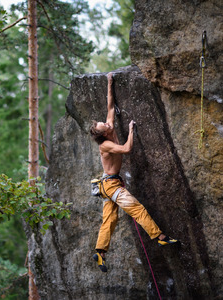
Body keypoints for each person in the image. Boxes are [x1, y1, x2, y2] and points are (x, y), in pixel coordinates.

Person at [89, 72, 178, 273]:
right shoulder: (106, 145)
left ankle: (100, 253)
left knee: (110, 219)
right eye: (102, 124)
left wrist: (109, 81)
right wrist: (130, 130)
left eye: (102, 122)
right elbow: (127, 149)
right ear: (102, 133)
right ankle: (160, 238)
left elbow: (110, 105)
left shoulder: (109, 128)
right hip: (111, 186)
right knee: (137, 209)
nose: (105, 122)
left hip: (108, 184)